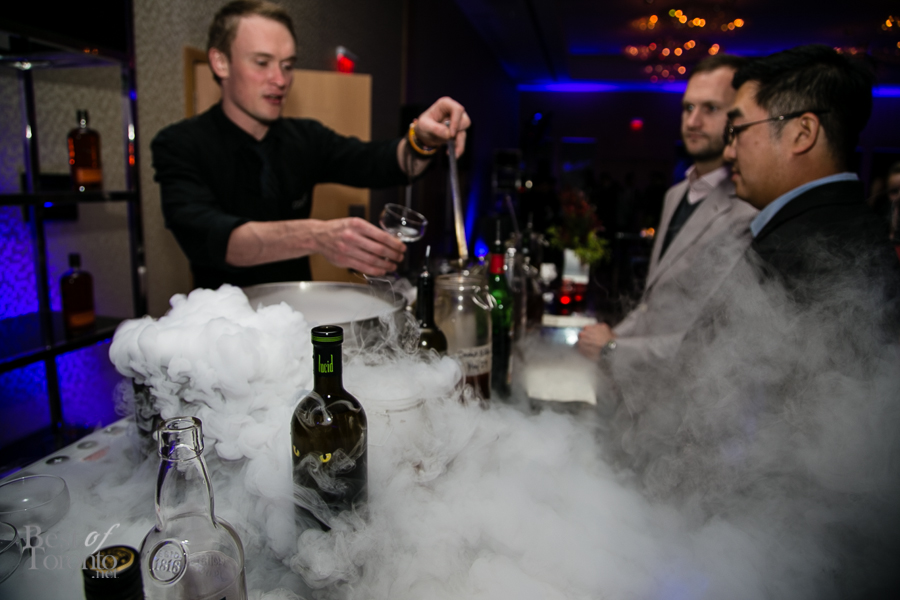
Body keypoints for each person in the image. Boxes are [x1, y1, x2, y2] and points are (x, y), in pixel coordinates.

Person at [152, 0, 471, 289]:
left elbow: (378, 161)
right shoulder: (179, 144)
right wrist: (318, 237)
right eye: (262, 63)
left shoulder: (305, 138)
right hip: (221, 323)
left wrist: (422, 140)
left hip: (296, 316)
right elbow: (212, 237)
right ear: (220, 62)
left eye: (287, 65)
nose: (280, 80)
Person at [578, 54, 757, 368]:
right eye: (688, 108)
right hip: (645, 381)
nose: (693, 121)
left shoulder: (748, 209)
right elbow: (652, 304)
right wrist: (606, 338)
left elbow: (715, 338)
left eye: (711, 109)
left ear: (738, 117)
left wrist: (614, 348)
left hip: (692, 388)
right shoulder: (675, 195)